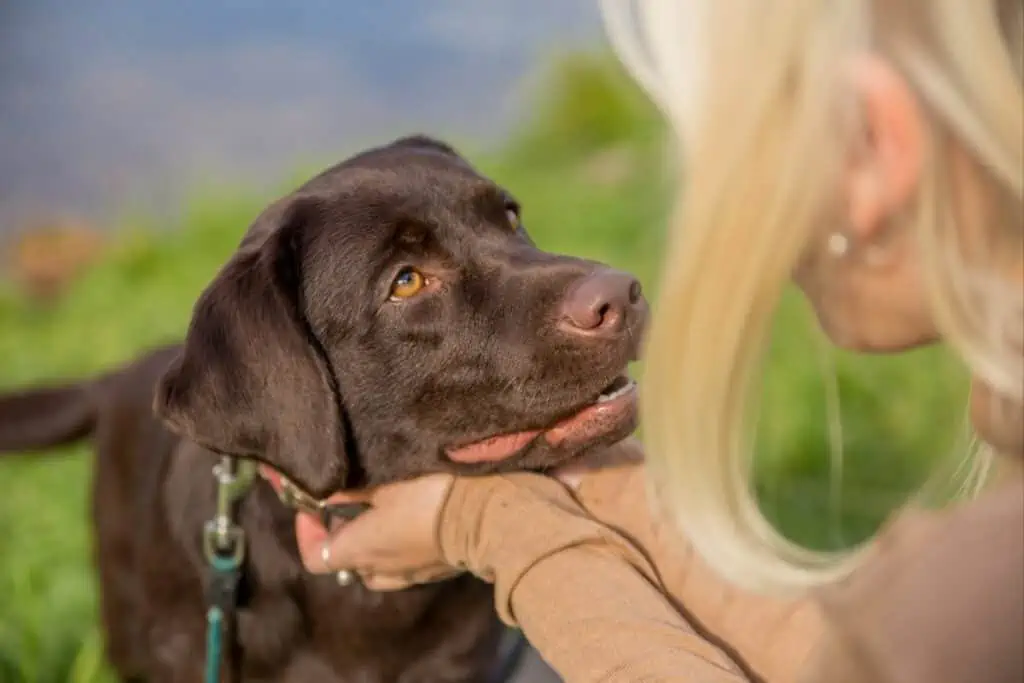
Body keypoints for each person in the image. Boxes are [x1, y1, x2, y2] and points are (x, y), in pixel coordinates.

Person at [295, 1, 1024, 681]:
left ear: (872, 142)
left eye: (726, 150)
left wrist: (490, 523)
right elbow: (838, 657)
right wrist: (599, 486)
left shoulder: (974, 592)